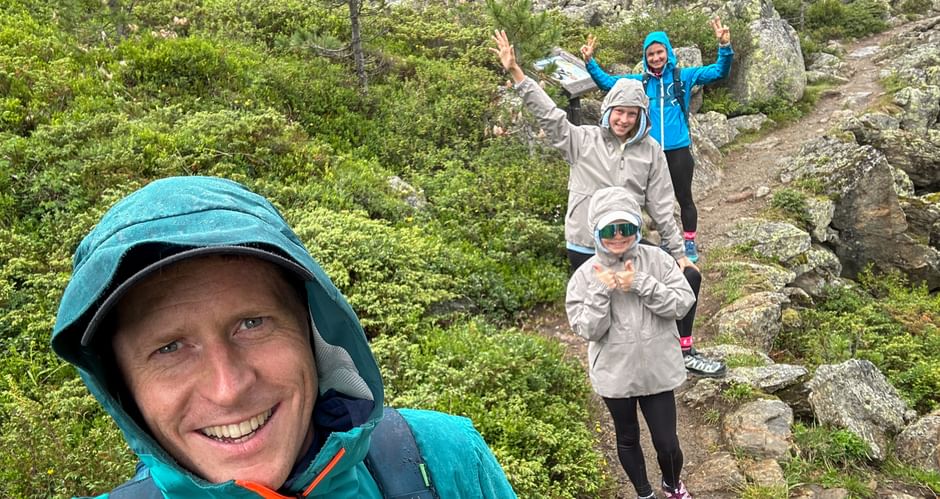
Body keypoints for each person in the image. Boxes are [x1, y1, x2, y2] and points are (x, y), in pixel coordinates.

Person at [51, 176, 517, 498]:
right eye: (169, 347)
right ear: (123, 387)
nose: (227, 387)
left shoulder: (443, 458)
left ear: (311, 332)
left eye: (252, 323)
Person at [490, 30, 724, 378]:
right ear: (607, 109)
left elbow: (661, 208)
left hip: (629, 241)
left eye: (632, 113)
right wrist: (517, 74)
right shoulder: (581, 141)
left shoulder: (651, 152)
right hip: (585, 244)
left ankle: (682, 350)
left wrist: (678, 254)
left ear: (641, 116)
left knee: (688, 278)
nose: (624, 120)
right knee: (603, 310)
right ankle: (611, 371)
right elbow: (551, 117)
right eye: (618, 111)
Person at [566, 185, 696, 499]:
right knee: (627, 437)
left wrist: (639, 283)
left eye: (626, 227)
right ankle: (643, 493)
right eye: (610, 229)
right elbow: (588, 330)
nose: (619, 236)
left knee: (667, 443)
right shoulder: (584, 277)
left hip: (658, 370)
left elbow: (682, 304)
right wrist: (601, 291)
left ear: (637, 228)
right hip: (615, 373)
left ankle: (671, 483)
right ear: (596, 231)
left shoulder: (658, 261)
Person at [580, 18, 734, 264]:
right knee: (647, 201)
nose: (656, 58)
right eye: (650, 54)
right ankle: (654, 241)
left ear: (668, 52)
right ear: (645, 57)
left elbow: (718, 71)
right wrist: (590, 62)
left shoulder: (682, 77)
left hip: (678, 149)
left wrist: (724, 47)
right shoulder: (639, 82)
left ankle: (689, 241)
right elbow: (608, 83)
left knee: (684, 197)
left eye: (660, 52)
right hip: (648, 152)